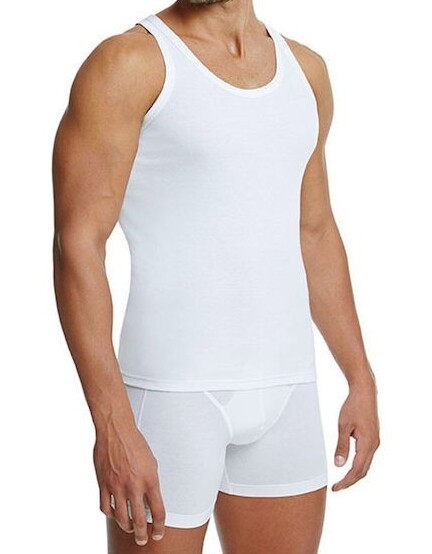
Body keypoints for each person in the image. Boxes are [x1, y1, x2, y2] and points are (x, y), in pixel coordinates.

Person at [52, 0, 380, 552]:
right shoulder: (129, 63)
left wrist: (360, 376)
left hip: (288, 389)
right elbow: (77, 245)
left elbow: (315, 230)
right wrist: (112, 424)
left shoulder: (306, 72)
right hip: (171, 397)